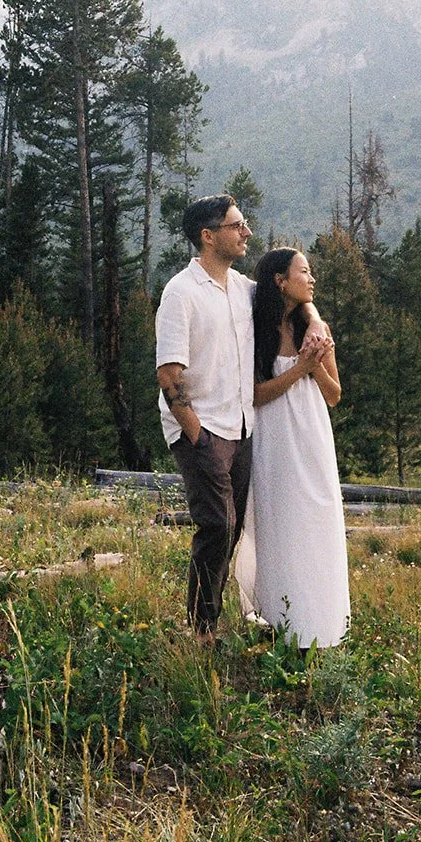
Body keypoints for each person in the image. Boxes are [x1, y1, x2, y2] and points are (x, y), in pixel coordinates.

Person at [235, 247, 350, 649]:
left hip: (313, 437)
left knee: (318, 526)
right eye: (304, 271)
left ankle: (322, 626)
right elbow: (253, 394)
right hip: (273, 440)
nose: (312, 278)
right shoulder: (255, 329)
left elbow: (334, 395)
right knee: (280, 527)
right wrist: (298, 370)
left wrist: (315, 365)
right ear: (280, 281)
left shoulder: (315, 329)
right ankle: (280, 624)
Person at [156, 194, 256, 639]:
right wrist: (196, 436)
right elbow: (168, 373)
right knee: (217, 524)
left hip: (242, 427)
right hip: (202, 429)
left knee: (231, 530)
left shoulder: (245, 289)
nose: (246, 232)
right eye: (237, 225)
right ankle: (201, 632)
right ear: (208, 236)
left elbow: (289, 296)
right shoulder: (180, 292)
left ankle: (210, 617)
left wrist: (312, 319)